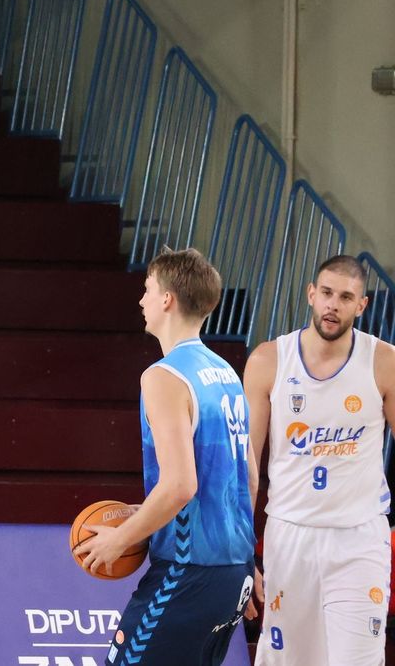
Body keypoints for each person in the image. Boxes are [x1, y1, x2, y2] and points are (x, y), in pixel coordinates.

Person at [74, 248, 255, 665]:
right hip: (234, 567)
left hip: (188, 569)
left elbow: (180, 485)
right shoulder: (226, 373)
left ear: (168, 299)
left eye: (148, 288)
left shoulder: (164, 376)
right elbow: (244, 477)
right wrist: (244, 561)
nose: (142, 300)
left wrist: (121, 538)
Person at [244, 254, 392, 665]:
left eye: (346, 297)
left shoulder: (384, 361)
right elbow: (247, 467)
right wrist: (241, 549)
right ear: (311, 293)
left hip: (359, 537)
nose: (333, 304)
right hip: (290, 534)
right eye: (326, 293)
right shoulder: (268, 360)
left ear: (361, 305)